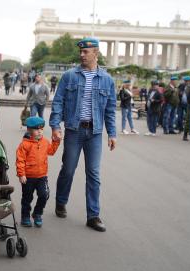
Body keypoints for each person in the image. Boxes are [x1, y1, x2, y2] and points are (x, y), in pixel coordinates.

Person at [49, 37, 117, 232]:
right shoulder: (70, 76)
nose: (82, 54)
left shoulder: (107, 79)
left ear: (96, 53)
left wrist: (112, 134)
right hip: (74, 130)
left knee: (93, 174)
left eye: (86, 52)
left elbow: (110, 109)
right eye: (80, 51)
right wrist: (55, 125)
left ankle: (93, 215)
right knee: (68, 169)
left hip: (94, 133)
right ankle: (61, 201)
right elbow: (58, 101)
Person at [16, 116, 60, 227]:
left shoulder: (45, 142)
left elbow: (51, 151)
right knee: (27, 198)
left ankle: (37, 213)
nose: (40, 132)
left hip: (42, 176)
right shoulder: (24, 145)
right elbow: (20, 160)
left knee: (44, 195)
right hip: (28, 177)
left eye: (41, 129)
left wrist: (56, 141)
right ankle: (25, 216)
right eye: (36, 129)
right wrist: (21, 174)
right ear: (29, 130)